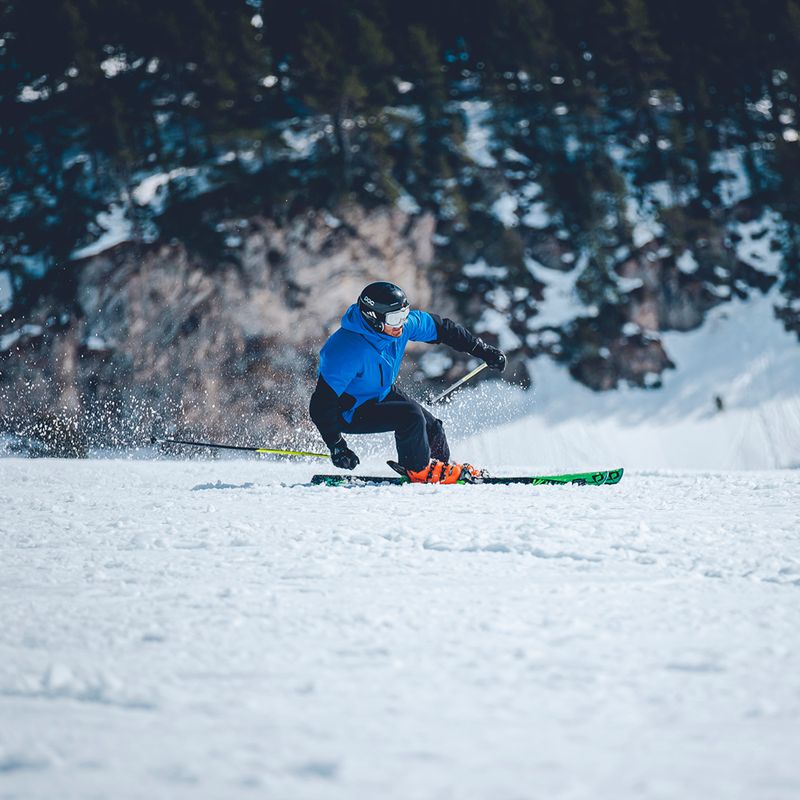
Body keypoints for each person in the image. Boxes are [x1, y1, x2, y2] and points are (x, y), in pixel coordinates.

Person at [309, 281, 506, 483]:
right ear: (374, 319)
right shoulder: (346, 349)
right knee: (410, 417)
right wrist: (337, 446)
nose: (402, 324)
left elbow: (443, 329)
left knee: (433, 428)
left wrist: (483, 351)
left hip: (380, 393)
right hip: (348, 411)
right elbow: (320, 404)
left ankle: (437, 470)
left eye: (404, 315)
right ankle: (419, 471)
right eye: (396, 319)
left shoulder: (398, 327)